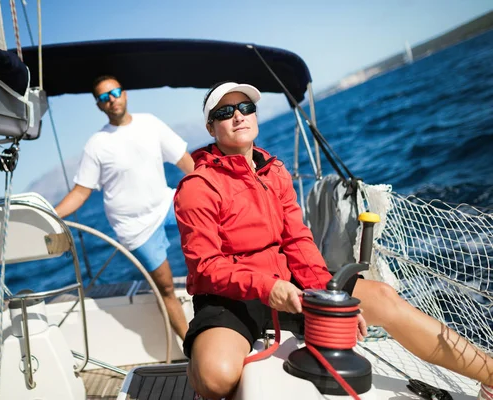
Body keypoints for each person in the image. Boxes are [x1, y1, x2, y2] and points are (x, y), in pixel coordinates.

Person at [173, 81, 493, 400]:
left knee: (384, 297)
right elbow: (205, 267)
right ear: (211, 127)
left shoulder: (276, 172)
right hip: (230, 299)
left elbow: (298, 241)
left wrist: (329, 296)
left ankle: (490, 374)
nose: (239, 116)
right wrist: (266, 288)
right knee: (215, 377)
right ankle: (197, 362)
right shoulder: (197, 187)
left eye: (246, 108)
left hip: (292, 286)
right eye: (225, 112)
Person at [55, 75, 193, 340]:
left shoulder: (150, 123)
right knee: (165, 287)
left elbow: (186, 163)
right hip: (136, 227)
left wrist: (220, 191)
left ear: (125, 93)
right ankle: (191, 348)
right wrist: (50, 216)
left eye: (115, 93)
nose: (111, 100)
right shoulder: (96, 144)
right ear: (99, 105)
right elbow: (81, 192)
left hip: (166, 203)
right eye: (104, 98)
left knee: (218, 222)